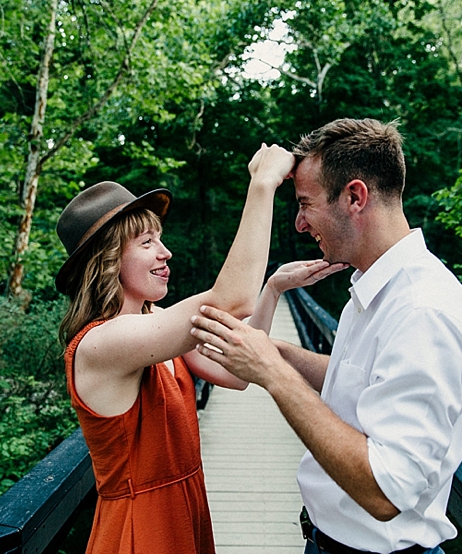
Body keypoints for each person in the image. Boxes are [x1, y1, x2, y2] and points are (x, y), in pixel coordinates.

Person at [191, 119, 462, 554]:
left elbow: (385, 492)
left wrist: (272, 372)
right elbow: (366, 382)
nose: (298, 223)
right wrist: (277, 351)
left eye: (305, 203)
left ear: (354, 197)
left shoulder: (425, 310)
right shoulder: (378, 290)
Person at [48, 143, 293, 553]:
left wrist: (272, 289)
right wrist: (262, 184)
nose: (166, 253)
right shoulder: (102, 342)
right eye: (147, 243)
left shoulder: (153, 326)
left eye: (160, 239)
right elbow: (230, 299)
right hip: (140, 529)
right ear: (108, 260)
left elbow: (236, 374)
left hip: (185, 509)